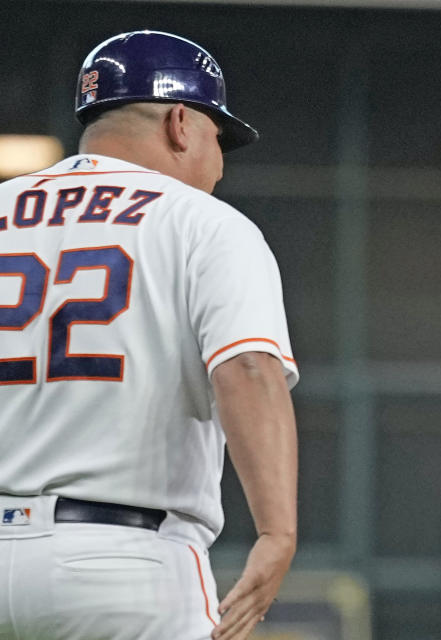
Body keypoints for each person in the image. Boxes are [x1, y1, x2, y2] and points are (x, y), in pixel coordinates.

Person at [0, 31, 297, 640]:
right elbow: (246, 369)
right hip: (126, 564)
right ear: (182, 123)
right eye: (219, 139)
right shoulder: (205, 223)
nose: (218, 162)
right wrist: (277, 531)